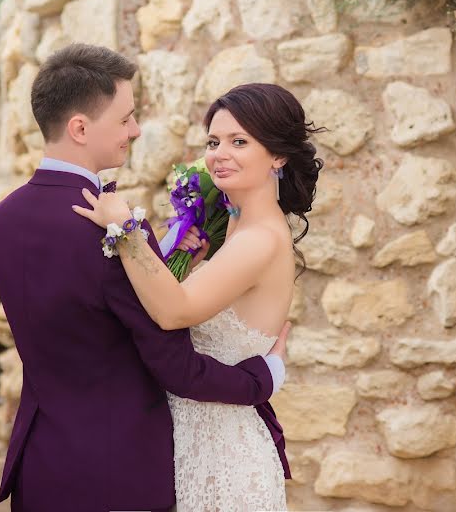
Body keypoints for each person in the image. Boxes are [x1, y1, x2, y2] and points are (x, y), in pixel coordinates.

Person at [0, 44, 290, 512]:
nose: (136, 130)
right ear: (80, 128)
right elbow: (175, 365)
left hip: (40, 463)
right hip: (121, 469)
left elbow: (74, 320)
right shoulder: (115, 232)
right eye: (125, 118)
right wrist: (261, 379)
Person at [74, 82, 323, 511]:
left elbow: (173, 313)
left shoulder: (260, 239)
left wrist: (126, 229)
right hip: (198, 439)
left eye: (239, 141)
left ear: (278, 156)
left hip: (223, 455)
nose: (219, 154)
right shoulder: (238, 231)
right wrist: (188, 260)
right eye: (213, 141)